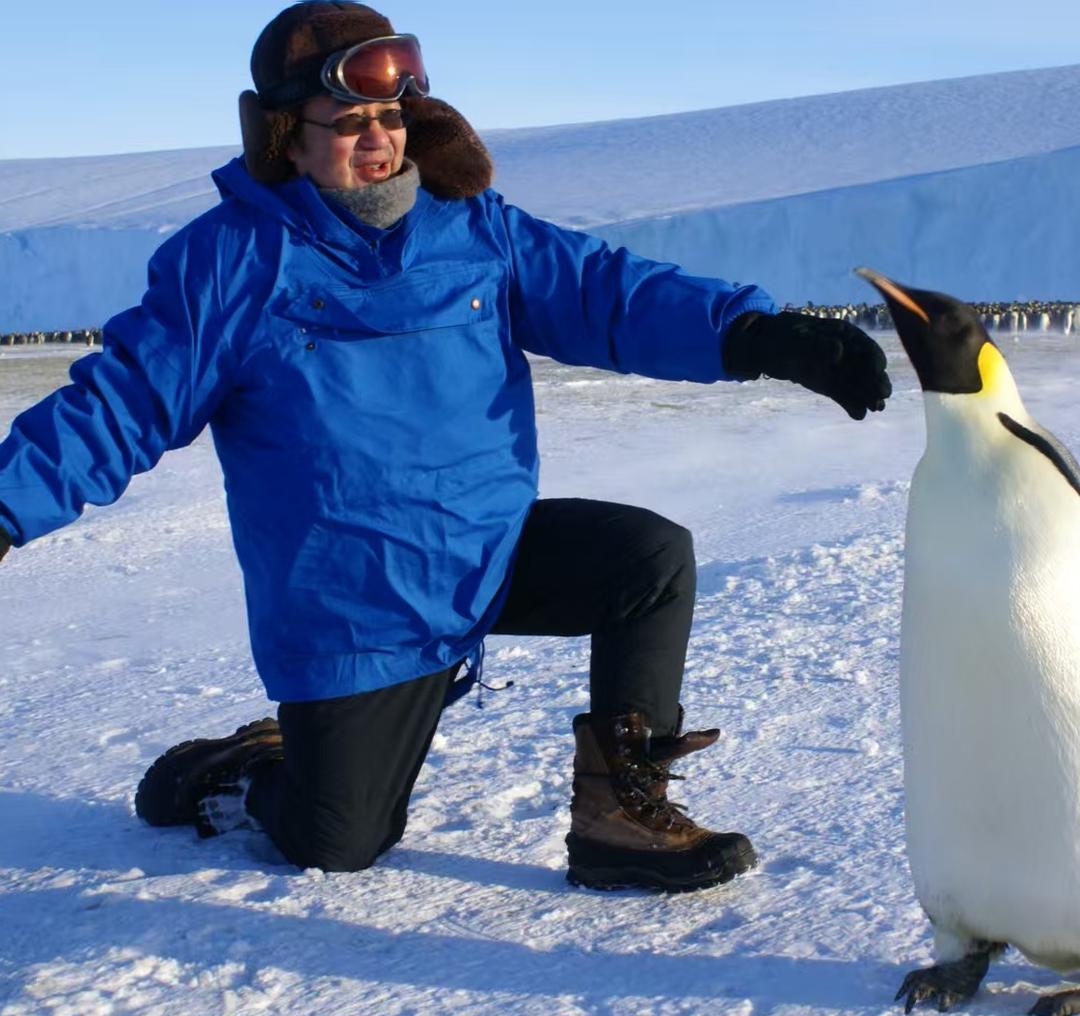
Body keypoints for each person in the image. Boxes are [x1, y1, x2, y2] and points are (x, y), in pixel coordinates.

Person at [0, 1, 891, 892]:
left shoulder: (475, 230)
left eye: (390, 118)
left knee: (647, 559)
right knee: (337, 842)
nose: (377, 140)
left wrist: (758, 337)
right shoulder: (231, 261)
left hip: (483, 552)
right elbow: (121, 403)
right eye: (348, 122)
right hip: (354, 605)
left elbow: (606, 293)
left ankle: (621, 817)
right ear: (287, 135)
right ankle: (236, 773)